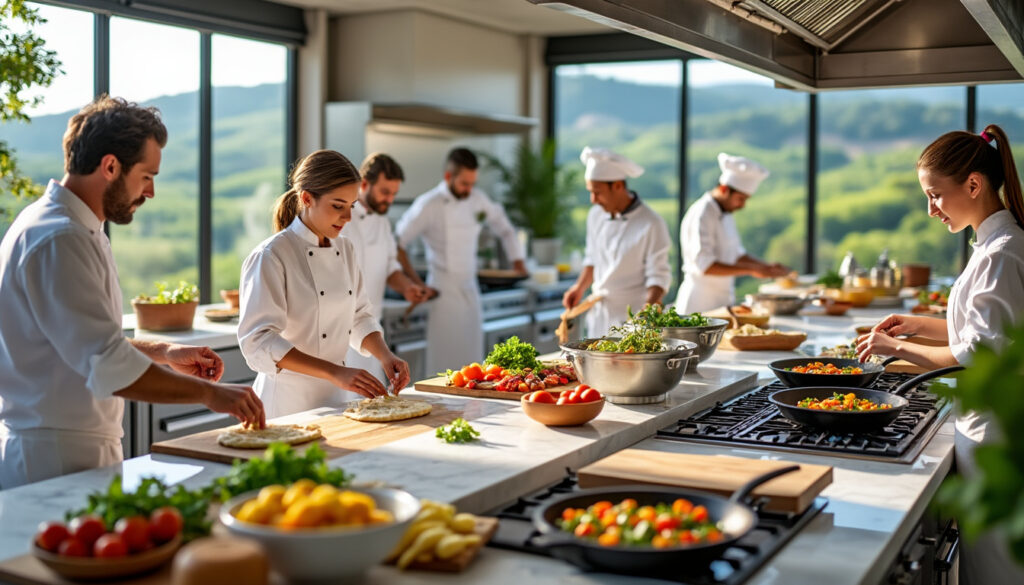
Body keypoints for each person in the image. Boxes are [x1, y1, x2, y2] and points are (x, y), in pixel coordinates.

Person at [0, 96, 265, 489]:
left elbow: (84, 343)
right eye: (146, 176)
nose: (151, 192)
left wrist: (164, 352)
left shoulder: (75, 227)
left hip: (74, 449)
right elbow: (106, 365)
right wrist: (212, 394)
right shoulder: (60, 237)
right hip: (54, 458)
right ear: (110, 166)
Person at [856, 124, 1024, 585]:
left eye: (934, 195)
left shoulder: (1001, 255)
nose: (930, 210)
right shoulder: (992, 245)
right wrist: (917, 325)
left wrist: (896, 347)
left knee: (997, 574)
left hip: (999, 437)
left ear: (973, 184)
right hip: (987, 431)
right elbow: (983, 330)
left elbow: (980, 352)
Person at [238, 150, 410, 419]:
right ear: (307, 198)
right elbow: (259, 341)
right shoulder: (272, 255)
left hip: (334, 398)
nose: (347, 217)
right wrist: (335, 371)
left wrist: (385, 356)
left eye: (351, 206)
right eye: (337, 206)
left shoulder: (346, 249)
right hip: (285, 404)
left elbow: (359, 316)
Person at [395, 147, 526, 374]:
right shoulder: (429, 204)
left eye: (472, 183)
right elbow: (397, 242)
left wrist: (518, 259)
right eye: (464, 183)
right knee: (443, 367)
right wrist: (416, 282)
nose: (469, 189)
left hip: (470, 290)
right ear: (448, 177)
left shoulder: (478, 200)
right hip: (442, 292)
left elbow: (504, 228)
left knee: (474, 365)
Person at [563, 147, 672, 337]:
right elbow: (592, 258)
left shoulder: (651, 222)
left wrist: (648, 311)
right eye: (590, 192)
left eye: (597, 192)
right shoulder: (595, 215)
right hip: (599, 316)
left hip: (633, 318)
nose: (593, 200)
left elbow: (659, 275)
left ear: (618, 186)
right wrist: (579, 287)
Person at [340, 153, 430, 383]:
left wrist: (407, 288)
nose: (389, 200)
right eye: (385, 192)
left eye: (394, 194)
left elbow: (390, 266)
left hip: (372, 332)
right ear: (364, 184)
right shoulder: (341, 220)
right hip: (341, 334)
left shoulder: (382, 222)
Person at [675, 153, 790, 313]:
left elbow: (736, 254)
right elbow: (705, 265)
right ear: (724, 189)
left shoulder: (726, 213)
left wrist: (766, 266)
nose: (743, 205)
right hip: (700, 302)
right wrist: (751, 270)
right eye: (741, 199)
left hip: (723, 300)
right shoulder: (702, 213)